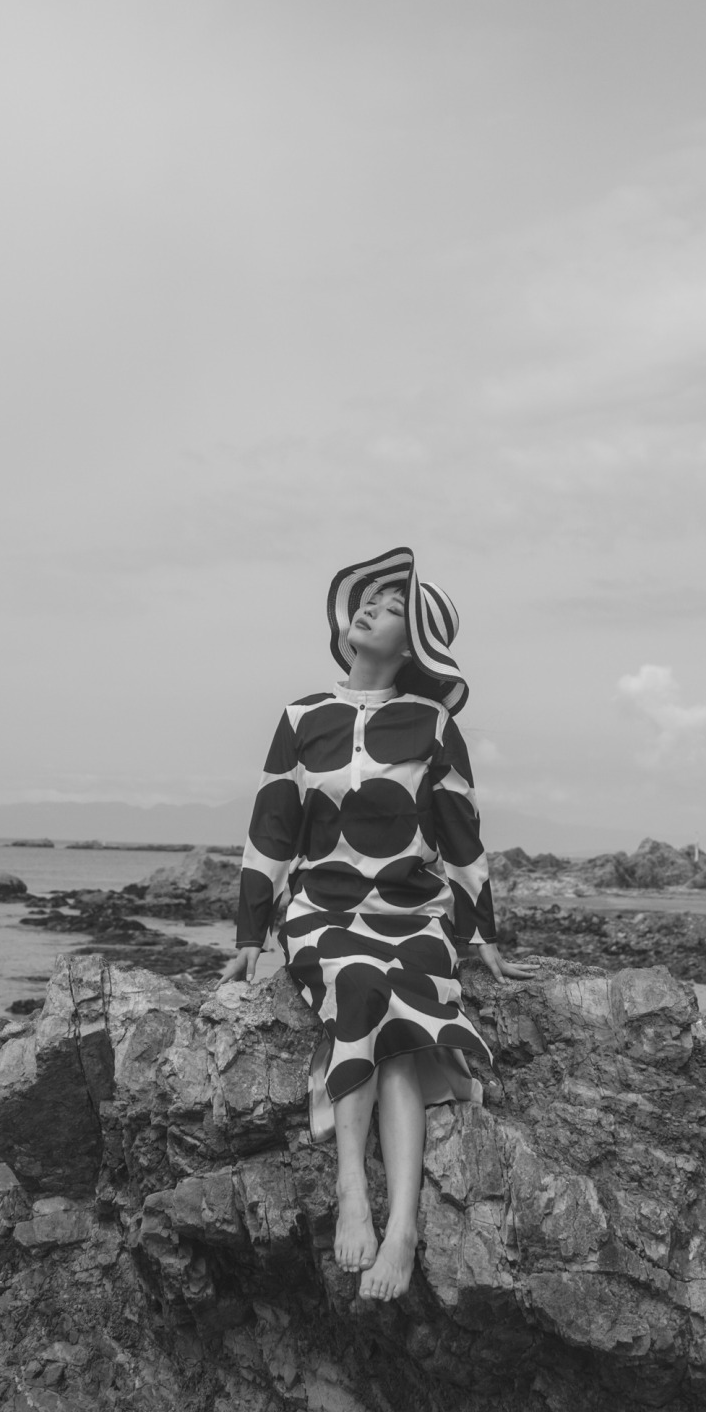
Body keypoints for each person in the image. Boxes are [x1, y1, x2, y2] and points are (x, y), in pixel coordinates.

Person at [221, 547, 504, 1300]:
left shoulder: (432, 724)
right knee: (361, 988)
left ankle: (400, 1228)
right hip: (323, 910)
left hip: (413, 911)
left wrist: (481, 932)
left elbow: (461, 830)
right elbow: (272, 827)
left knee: (400, 1021)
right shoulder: (301, 717)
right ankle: (354, 1190)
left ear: (414, 644)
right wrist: (250, 937)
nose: (371, 608)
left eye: (391, 605)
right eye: (368, 599)